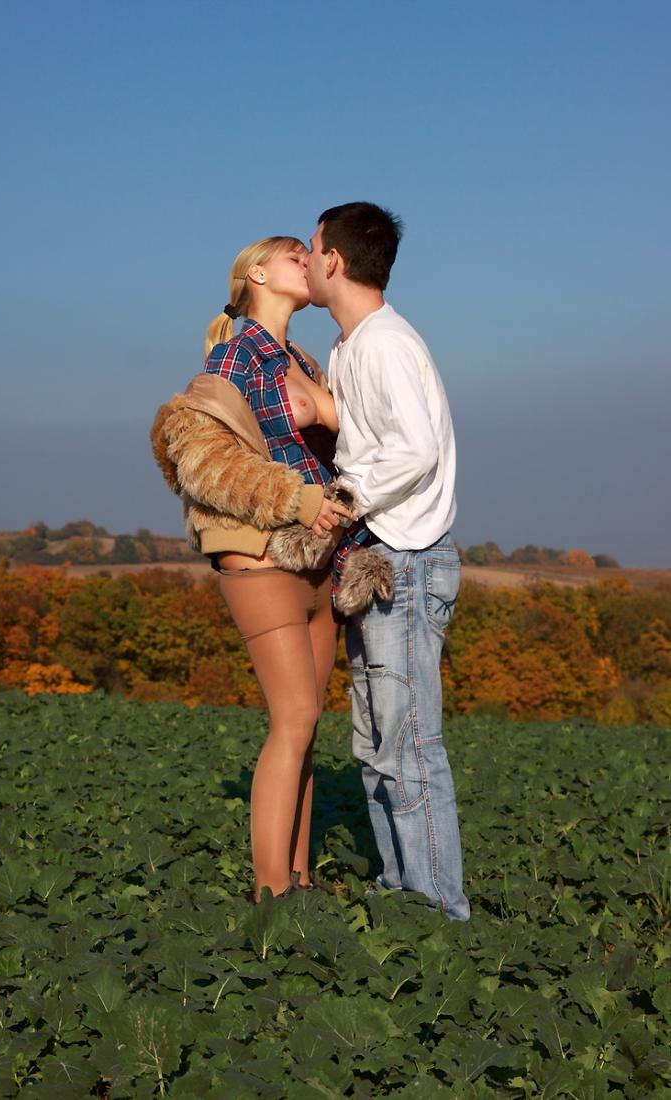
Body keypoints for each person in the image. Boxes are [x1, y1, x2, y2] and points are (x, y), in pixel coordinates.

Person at [151, 236, 353, 902]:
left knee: (308, 726)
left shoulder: (305, 360)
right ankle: (271, 897)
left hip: (320, 560)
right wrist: (301, 502)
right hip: (264, 558)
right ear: (258, 274)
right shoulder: (235, 357)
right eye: (294, 253)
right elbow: (213, 464)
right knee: (292, 720)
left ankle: (300, 881)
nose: (308, 261)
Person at [304, 202, 470, 921]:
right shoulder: (350, 347)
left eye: (311, 248)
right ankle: (401, 892)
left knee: (408, 747)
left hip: (406, 559)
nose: (306, 260)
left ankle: (438, 910)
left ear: (334, 261)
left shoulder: (385, 344)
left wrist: (346, 498)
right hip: (375, 561)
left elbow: (416, 449)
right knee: (376, 748)